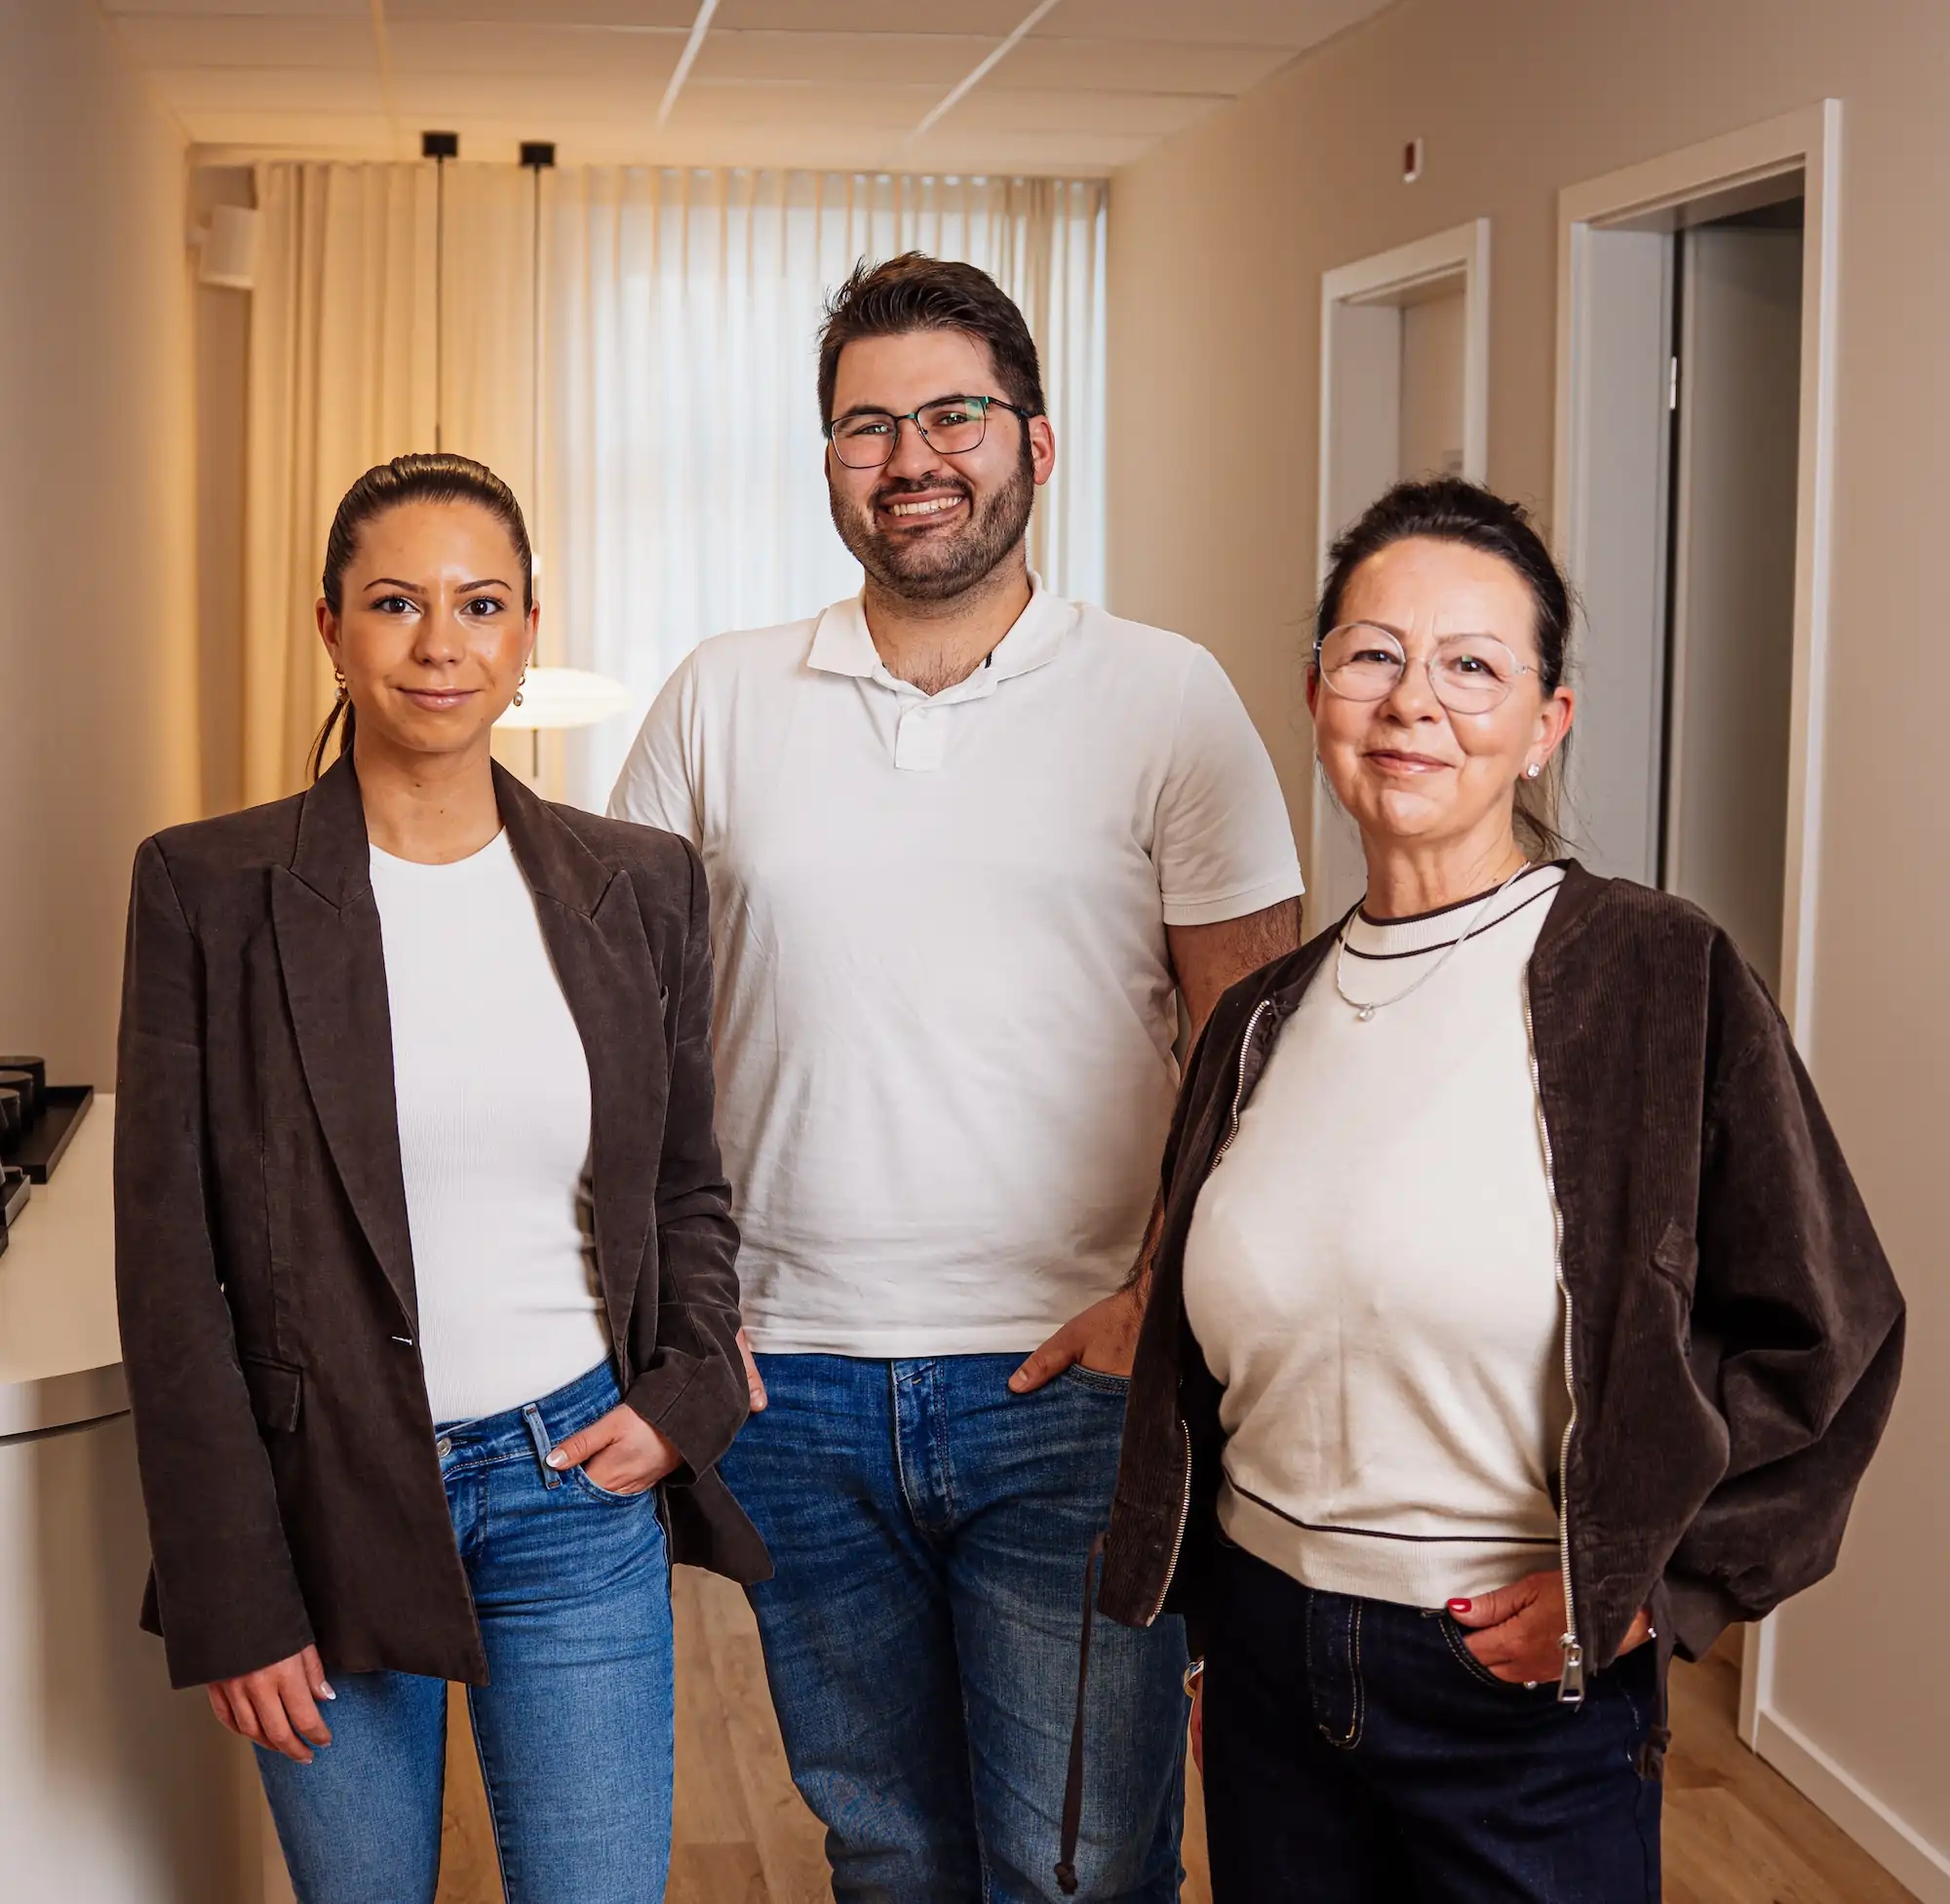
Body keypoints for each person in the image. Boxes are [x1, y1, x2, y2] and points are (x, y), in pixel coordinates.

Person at [1090, 477, 1904, 1902]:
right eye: (1373, 654)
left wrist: (1660, 1585)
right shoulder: (1261, 1019)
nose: (1415, 701)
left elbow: (1832, 1326)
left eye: (1474, 666)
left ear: (1546, 724)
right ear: (1317, 690)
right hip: (1275, 1678)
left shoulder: (1657, 976)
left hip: (1515, 1686)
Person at [609, 253, 1305, 1902]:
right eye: (867, 426)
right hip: (796, 1384)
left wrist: (1155, 1300)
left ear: (1038, 446)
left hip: (1069, 1385)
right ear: (830, 460)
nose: (912, 456)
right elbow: (617, 1027)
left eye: (955, 415)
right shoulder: (719, 696)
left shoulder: (1166, 698)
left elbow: (1255, 1045)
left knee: (1075, 1866)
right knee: (887, 1848)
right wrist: (685, 1321)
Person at [114, 453, 765, 1904]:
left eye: (479, 604)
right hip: (322, 1498)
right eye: (395, 603)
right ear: (330, 625)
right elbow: (171, 1278)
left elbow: (685, 1187)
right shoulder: (207, 894)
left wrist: (682, 1402)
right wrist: (233, 1589)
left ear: (532, 626)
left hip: (576, 1488)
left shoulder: (640, 882)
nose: (440, 643)